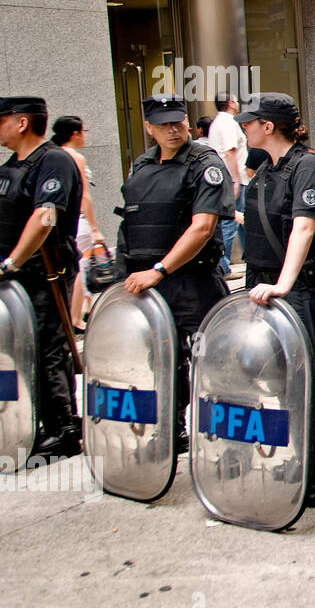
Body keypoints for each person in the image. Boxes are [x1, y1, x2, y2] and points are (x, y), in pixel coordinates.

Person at [237, 93, 315, 506]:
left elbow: (304, 229)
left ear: (269, 126)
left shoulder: (308, 166)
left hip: (299, 289)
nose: (243, 127)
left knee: (302, 378)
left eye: (251, 121)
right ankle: (299, 458)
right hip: (269, 287)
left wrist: (282, 285)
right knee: (279, 378)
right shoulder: (268, 168)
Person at [116, 95, 234, 449]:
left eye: (178, 121)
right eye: (164, 123)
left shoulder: (204, 163)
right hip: (148, 282)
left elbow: (202, 228)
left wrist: (159, 270)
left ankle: (224, 433)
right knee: (161, 359)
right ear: (149, 128)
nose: (173, 128)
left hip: (191, 281)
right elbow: (130, 222)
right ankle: (172, 428)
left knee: (210, 358)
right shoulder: (142, 165)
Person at [0, 97, 84, 459]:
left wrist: (12, 262)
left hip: (42, 273)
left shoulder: (53, 160)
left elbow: (45, 216)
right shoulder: (10, 166)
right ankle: (33, 422)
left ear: (21, 122)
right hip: (14, 279)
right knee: (20, 353)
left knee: (49, 350)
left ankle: (63, 429)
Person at [50, 116, 104, 331]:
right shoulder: (75, 157)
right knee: (80, 268)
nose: (85, 135)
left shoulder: (52, 155)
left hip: (61, 221)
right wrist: (95, 228)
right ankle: (75, 318)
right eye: (84, 131)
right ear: (75, 134)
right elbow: (85, 197)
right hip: (79, 220)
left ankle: (77, 313)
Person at [208, 93, 247, 275]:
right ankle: (223, 264)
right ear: (231, 103)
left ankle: (246, 259)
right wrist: (236, 180)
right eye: (236, 100)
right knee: (232, 221)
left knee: (238, 221)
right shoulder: (228, 123)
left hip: (227, 178)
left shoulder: (217, 123)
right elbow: (230, 152)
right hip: (234, 178)